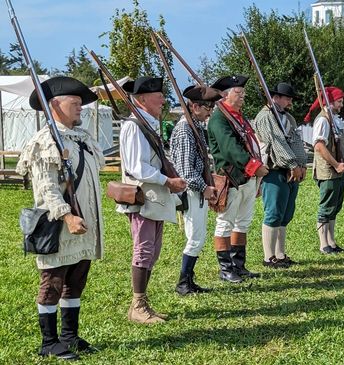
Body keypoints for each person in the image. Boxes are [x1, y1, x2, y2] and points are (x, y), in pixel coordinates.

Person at [16, 76, 105, 360]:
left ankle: (69, 336)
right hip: (61, 226)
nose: (80, 107)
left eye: (80, 103)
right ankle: (49, 342)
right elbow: (47, 188)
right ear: (54, 105)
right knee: (52, 283)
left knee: (76, 281)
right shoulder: (45, 142)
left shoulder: (82, 139)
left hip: (85, 224)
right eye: (74, 103)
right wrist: (68, 218)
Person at [117, 76, 186, 323]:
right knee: (144, 250)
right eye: (157, 95)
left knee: (152, 251)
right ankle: (137, 306)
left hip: (153, 196)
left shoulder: (148, 123)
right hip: (143, 196)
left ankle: (142, 302)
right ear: (142, 99)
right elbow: (136, 168)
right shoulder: (134, 126)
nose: (162, 100)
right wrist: (167, 181)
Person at [208, 75, 268, 283]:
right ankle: (225, 268)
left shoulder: (238, 117)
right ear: (225, 95)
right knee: (225, 222)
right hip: (231, 177)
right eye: (238, 92)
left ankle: (238, 265)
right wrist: (255, 167)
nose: (242, 96)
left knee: (242, 222)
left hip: (247, 177)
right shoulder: (219, 119)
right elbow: (230, 149)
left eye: (243, 93)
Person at [170, 85, 221, 295]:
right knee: (195, 237)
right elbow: (185, 171)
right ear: (195, 106)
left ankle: (188, 280)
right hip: (192, 191)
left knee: (198, 237)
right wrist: (204, 188)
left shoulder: (196, 126)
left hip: (197, 190)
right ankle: (183, 282)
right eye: (208, 106)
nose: (210, 111)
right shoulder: (184, 129)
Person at [253, 82, 307, 269]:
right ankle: (269, 257)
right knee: (274, 213)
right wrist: (292, 164)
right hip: (275, 170)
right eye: (287, 98)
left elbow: (297, 142)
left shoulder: (288, 118)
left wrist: (301, 164)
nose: (290, 102)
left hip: (291, 170)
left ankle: (280, 253)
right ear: (275, 97)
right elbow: (275, 143)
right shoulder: (266, 117)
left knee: (285, 214)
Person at [304, 86, 344, 254]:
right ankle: (324, 244)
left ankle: (331, 241)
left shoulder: (332, 119)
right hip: (329, 171)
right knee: (326, 207)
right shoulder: (323, 120)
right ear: (330, 102)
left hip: (339, 171)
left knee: (334, 207)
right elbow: (319, 146)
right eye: (339, 101)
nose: (341, 104)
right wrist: (336, 165)